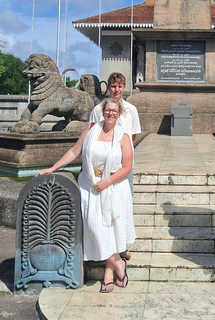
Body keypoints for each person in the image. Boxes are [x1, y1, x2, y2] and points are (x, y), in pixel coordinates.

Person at [37, 98, 136, 293]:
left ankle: (110, 272)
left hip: (113, 187)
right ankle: (119, 265)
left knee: (112, 231)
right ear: (102, 111)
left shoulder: (123, 137)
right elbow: (75, 151)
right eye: (108, 110)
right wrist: (53, 168)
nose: (110, 113)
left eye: (114, 111)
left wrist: (107, 181)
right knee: (95, 228)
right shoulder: (91, 130)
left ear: (119, 113)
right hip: (89, 186)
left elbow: (127, 167)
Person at [89, 72, 140, 261]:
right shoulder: (97, 109)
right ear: (108, 87)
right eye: (113, 86)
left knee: (123, 204)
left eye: (119, 86)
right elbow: (91, 134)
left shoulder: (131, 110)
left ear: (124, 87)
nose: (116, 90)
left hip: (122, 165)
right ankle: (106, 242)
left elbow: (132, 137)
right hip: (101, 165)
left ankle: (122, 245)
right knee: (102, 205)